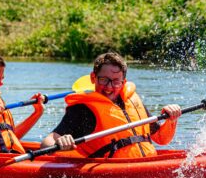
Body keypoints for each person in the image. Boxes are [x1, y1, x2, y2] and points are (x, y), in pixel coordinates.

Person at [41, 52, 182, 158]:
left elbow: (161, 139)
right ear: (93, 77)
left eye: (115, 81)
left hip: (147, 163)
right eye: (103, 80)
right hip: (111, 172)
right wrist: (60, 142)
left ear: (124, 82)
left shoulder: (132, 101)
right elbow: (46, 142)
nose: (109, 87)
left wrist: (172, 120)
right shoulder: (83, 109)